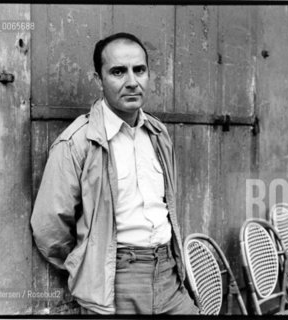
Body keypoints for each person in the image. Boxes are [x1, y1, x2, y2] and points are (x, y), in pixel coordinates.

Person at [31, 32, 199, 315]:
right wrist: (89, 263)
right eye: (118, 72)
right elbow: (50, 229)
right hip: (114, 286)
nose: (132, 82)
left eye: (140, 70)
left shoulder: (159, 134)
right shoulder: (77, 142)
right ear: (98, 80)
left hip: (169, 278)